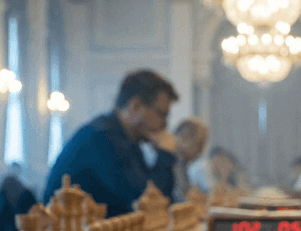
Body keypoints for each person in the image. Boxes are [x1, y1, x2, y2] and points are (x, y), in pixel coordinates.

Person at [42, 70, 179, 216]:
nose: (165, 125)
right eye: (161, 114)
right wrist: (164, 155)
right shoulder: (102, 137)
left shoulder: (128, 141)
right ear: (136, 106)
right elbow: (143, 203)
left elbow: (160, 201)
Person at [172, 117, 209, 201]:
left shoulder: (182, 163)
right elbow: (181, 200)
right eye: (199, 145)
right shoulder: (170, 160)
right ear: (184, 136)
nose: (201, 151)